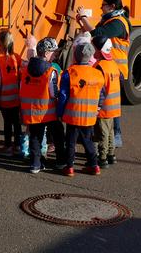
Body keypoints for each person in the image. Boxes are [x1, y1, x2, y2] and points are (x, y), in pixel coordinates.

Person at [75, 0, 131, 147]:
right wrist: (82, 23)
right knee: (103, 101)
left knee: (111, 102)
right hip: (105, 66)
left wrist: (84, 16)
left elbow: (97, 34)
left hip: (115, 68)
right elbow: (90, 35)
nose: (101, 8)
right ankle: (102, 134)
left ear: (112, 6)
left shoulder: (118, 23)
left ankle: (116, 134)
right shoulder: (107, 21)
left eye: (103, 5)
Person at [57, 43, 105, 176]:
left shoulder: (69, 73)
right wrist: (98, 109)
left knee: (71, 141)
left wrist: (60, 112)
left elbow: (63, 96)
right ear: (90, 57)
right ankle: (94, 165)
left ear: (75, 56)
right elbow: (102, 94)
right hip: (90, 115)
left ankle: (70, 167)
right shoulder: (97, 74)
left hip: (73, 115)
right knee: (87, 139)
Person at [19, 37, 63, 174]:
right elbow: (53, 92)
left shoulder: (26, 69)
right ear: (46, 53)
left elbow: (22, 88)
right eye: (53, 53)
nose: (55, 55)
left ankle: (35, 164)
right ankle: (61, 161)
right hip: (48, 112)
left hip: (31, 112)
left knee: (35, 137)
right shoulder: (50, 71)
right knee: (58, 134)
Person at [92, 35, 124, 169]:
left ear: (99, 51)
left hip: (104, 106)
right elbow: (121, 80)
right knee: (110, 131)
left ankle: (103, 157)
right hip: (114, 105)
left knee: (102, 133)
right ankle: (111, 155)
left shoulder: (100, 66)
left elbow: (99, 89)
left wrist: (96, 107)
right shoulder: (113, 64)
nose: (93, 51)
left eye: (94, 48)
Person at [0, 30, 22, 156]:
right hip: (16, 95)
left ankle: (7, 147)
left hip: (5, 96)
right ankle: (17, 145)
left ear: (0, 43)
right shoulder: (17, 57)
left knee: (7, 122)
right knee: (16, 121)